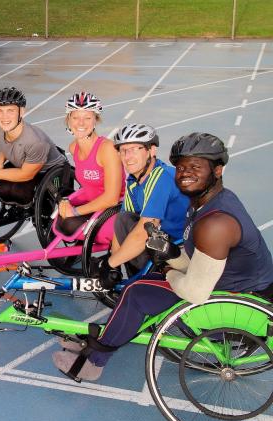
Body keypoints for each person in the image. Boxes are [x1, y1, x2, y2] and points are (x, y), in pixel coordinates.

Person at [52, 132, 273, 381]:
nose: (185, 173)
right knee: (140, 283)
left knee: (136, 294)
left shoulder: (216, 224)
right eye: (180, 167)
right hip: (231, 286)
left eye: (195, 167)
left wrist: (169, 270)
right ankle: (100, 341)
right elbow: (199, 262)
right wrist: (173, 254)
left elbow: (195, 292)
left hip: (237, 306)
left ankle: (94, 362)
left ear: (217, 171)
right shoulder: (208, 201)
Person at [96, 123, 189, 285]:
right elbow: (122, 224)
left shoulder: (161, 178)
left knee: (139, 232)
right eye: (123, 150)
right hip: (161, 242)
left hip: (182, 250)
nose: (127, 156)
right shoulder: (134, 180)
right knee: (124, 218)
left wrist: (109, 264)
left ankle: (146, 284)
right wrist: (113, 265)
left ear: (151, 151)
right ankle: (138, 282)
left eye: (134, 149)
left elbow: (143, 232)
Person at [0, 86, 67, 205]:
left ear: (21, 112)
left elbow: (26, 174)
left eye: (10, 111)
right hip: (25, 163)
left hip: (48, 171)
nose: (4, 117)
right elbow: (4, 144)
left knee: (21, 195)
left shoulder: (36, 142)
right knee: (4, 192)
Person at [55, 92, 124, 236]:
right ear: (69, 119)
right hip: (93, 201)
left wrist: (74, 211)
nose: (81, 123)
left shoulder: (107, 149)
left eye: (87, 118)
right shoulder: (74, 148)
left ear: (95, 120)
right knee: (59, 220)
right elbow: (88, 185)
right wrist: (65, 202)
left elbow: (112, 198)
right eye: (75, 117)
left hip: (117, 207)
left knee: (71, 223)